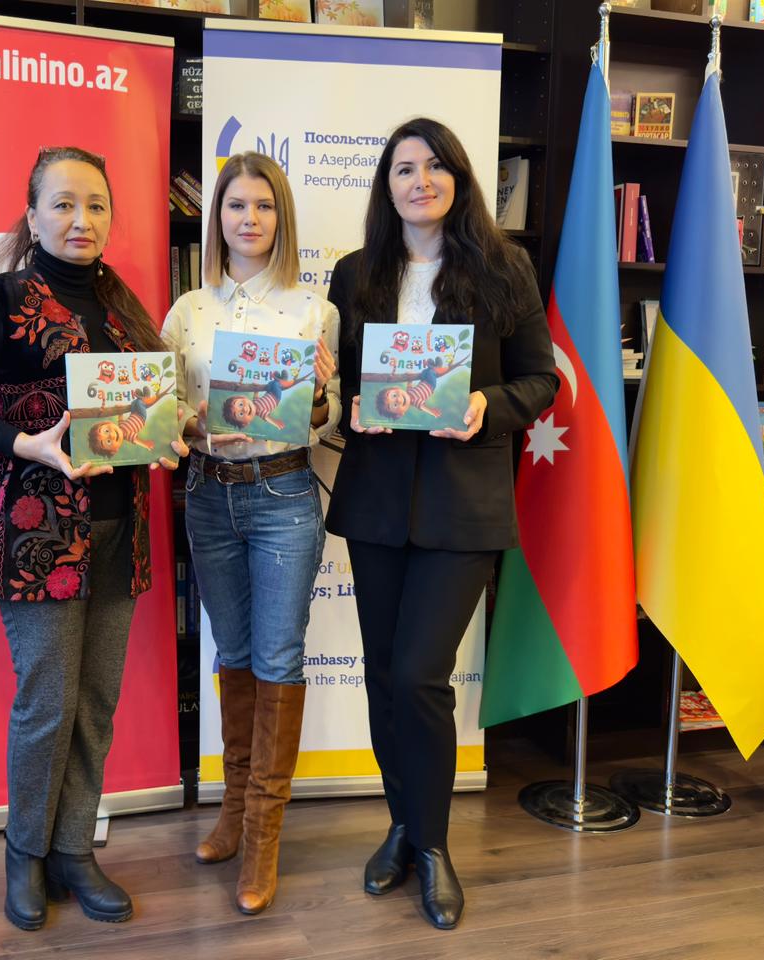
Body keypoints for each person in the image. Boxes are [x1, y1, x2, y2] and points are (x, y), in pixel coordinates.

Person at [0, 145, 184, 932]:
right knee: (48, 703)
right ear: (33, 216)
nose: (81, 219)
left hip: (118, 531)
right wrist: (25, 444)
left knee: (96, 702)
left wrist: (172, 427)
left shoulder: (123, 304)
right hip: (36, 539)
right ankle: (25, 853)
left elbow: (141, 411)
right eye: (64, 204)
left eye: (96, 205)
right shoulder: (4, 298)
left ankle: (74, 850)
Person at [325, 118, 558, 930]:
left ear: (457, 178)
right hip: (377, 503)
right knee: (383, 675)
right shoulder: (355, 273)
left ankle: (432, 847)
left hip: (464, 505)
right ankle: (402, 825)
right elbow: (341, 391)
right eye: (402, 169)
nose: (418, 181)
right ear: (385, 185)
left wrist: (486, 405)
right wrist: (350, 408)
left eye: (432, 166)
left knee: (422, 675)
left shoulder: (503, 266)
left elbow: (541, 380)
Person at [161, 151, 339, 915]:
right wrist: (188, 420)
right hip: (207, 494)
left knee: (277, 658)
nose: (250, 218)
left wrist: (321, 394)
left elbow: (328, 420)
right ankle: (232, 812)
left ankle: (264, 835)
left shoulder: (313, 311)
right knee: (232, 655)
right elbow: (162, 410)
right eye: (237, 205)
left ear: (281, 218)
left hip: (284, 493)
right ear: (218, 217)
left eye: (264, 206)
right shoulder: (186, 311)